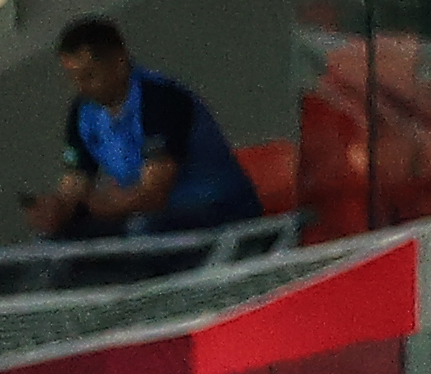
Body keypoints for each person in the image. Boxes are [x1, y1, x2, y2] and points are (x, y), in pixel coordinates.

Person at [26, 22, 259, 259]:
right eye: (73, 78)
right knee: (54, 241)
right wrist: (59, 209)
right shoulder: (82, 112)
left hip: (218, 210)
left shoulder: (161, 100)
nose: (80, 87)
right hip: (150, 216)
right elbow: (76, 181)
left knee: (143, 230)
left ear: (119, 62)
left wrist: (90, 207)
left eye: (89, 76)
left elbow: (153, 195)